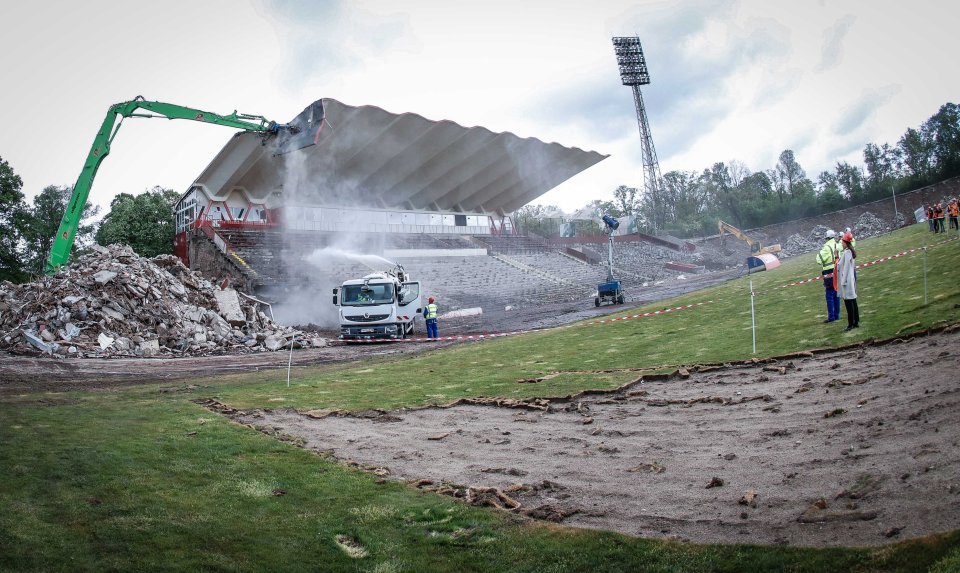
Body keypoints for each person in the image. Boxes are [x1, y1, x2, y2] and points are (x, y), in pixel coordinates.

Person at [816, 230, 841, 323]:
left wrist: (818, 254)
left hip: (829, 271)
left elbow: (819, 260)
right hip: (837, 269)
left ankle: (831, 317)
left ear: (827, 238)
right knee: (836, 293)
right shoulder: (837, 244)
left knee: (829, 294)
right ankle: (837, 315)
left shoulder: (826, 247)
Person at [837, 231, 860, 331]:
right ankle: (856, 321)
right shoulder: (849, 251)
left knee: (848, 302)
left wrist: (843, 281)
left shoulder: (847, 252)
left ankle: (851, 324)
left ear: (845, 242)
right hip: (849, 279)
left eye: (842, 241)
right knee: (853, 300)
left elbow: (845, 268)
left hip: (846, 281)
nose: (841, 243)